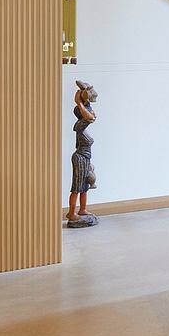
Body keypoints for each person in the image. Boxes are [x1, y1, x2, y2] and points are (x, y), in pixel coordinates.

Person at [67, 80, 99, 228]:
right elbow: (90, 117)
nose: (93, 113)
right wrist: (79, 103)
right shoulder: (79, 125)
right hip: (79, 157)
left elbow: (91, 115)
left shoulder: (84, 125)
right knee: (77, 187)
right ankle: (71, 213)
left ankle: (82, 209)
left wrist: (84, 102)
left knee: (85, 185)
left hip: (85, 157)